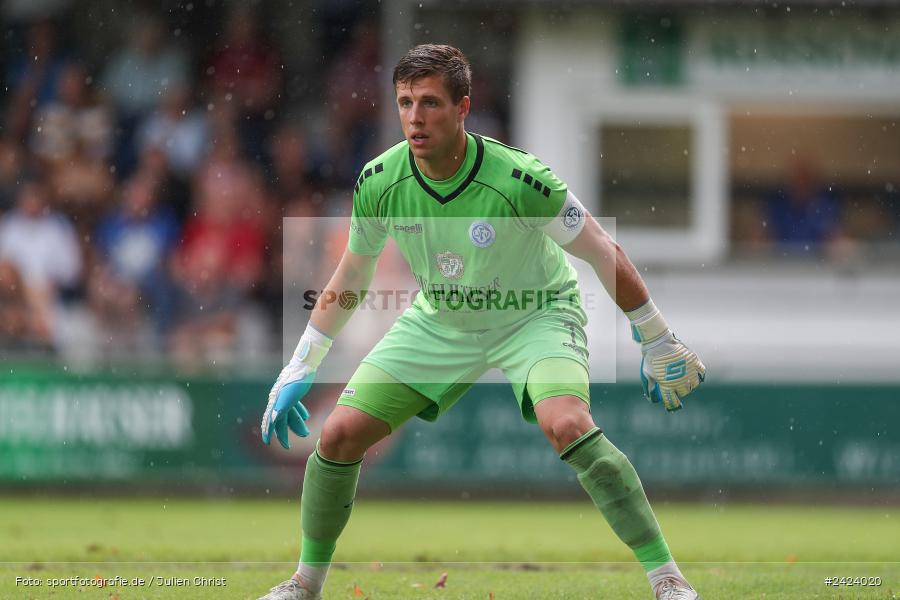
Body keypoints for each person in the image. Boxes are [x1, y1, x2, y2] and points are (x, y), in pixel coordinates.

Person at [258, 45, 706, 600]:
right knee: (339, 434)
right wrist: (301, 362)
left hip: (536, 313)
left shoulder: (520, 178)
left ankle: (668, 580)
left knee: (566, 424)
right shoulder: (379, 180)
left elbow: (600, 250)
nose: (415, 118)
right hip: (442, 318)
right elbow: (352, 276)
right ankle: (305, 583)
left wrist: (656, 335)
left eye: (430, 103)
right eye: (405, 102)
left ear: (463, 107)